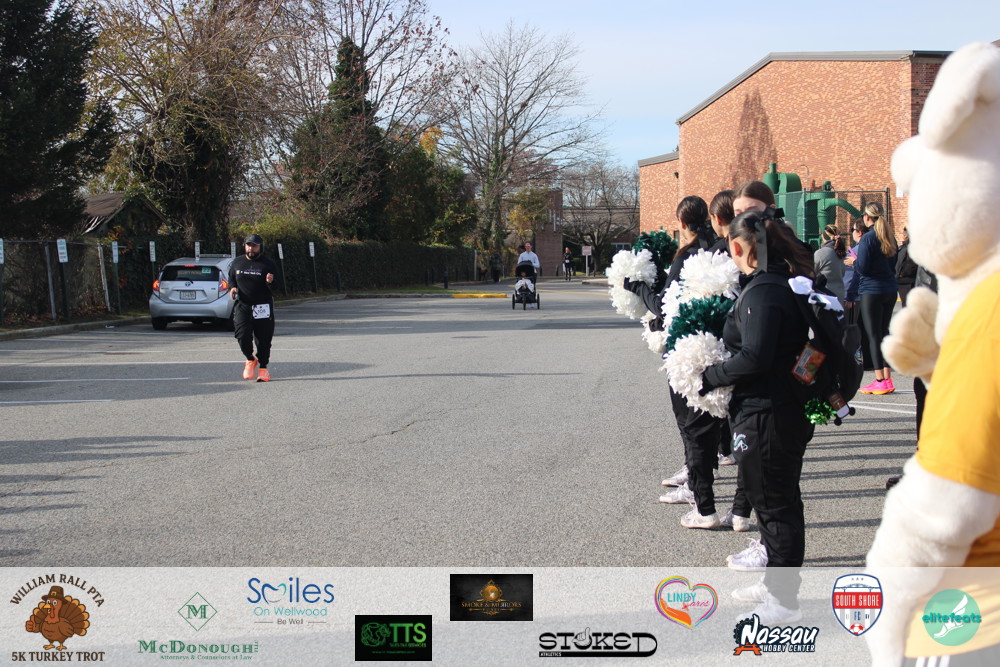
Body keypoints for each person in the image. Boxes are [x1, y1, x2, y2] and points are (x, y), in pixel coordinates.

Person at [700, 206, 817, 624]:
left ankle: (783, 603)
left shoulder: (765, 292)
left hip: (769, 412)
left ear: (737, 247)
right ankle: (777, 587)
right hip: (776, 409)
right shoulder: (778, 282)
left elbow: (756, 356)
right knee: (777, 503)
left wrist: (708, 376)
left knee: (775, 507)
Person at [656, 196, 727, 531]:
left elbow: (664, 305)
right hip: (715, 346)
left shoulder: (689, 254)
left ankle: (701, 498)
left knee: (691, 424)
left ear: (682, 223)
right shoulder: (717, 249)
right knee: (706, 423)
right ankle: (707, 485)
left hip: (689, 349)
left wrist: (638, 288)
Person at [854, 202, 898, 394]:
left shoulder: (867, 238)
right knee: (884, 332)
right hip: (890, 288)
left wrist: (854, 261)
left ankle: (880, 379)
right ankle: (887, 378)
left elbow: (863, 267)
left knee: (873, 335)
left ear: (866, 217)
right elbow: (894, 262)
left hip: (871, 289)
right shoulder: (889, 237)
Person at [229, 234, 279, 382]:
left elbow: (278, 287)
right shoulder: (237, 262)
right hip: (243, 305)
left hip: (262, 306)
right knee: (242, 335)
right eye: (249, 245)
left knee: (263, 339)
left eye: (254, 246)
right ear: (244, 246)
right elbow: (231, 278)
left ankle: (263, 368)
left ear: (260, 247)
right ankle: (250, 359)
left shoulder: (268, 264)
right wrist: (233, 288)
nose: (251, 248)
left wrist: (270, 282)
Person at [813, 224, 847, 305]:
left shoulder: (821, 253)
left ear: (824, 237)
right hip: (840, 296)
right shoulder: (842, 253)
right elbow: (843, 273)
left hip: (824, 296)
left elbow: (812, 272)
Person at [895, 227, 918, 306]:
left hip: (908, 282)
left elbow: (910, 265)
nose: (903, 235)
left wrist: (902, 274)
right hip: (903, 281)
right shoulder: (904, 247)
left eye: (904, 234)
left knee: (908, 305)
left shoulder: (910, 248)